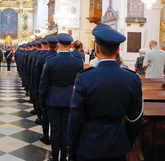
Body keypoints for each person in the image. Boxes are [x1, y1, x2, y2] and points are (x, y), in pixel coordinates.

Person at [68, 24, 143, 161]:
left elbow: (75, 117)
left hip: (88, 143)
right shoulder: (133, 79)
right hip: (118, 144)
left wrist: (72, 145)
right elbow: (136, 119)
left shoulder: (84, 77)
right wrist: (126, 141)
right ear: (118, 49)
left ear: (96, 49)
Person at [39, 33, 84, 161]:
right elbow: (80, 84)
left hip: (53, 100)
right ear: (70, 46)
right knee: (66, 130)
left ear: (58, 45)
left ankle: (54, 157)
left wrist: (42, 101)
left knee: (55, 130)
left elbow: (43, 84)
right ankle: (64, 157)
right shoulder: (78, 61)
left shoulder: (51, 61)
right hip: (71, 100)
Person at [34, 36, 58, 145]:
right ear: (57, 46)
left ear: (47, 45)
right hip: (63, 95)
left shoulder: (41, 57)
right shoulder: (61, 58)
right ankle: (58, 141)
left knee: (46, 115)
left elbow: (37, 74)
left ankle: (45, 136)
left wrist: (37, 89)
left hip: (46, 91)